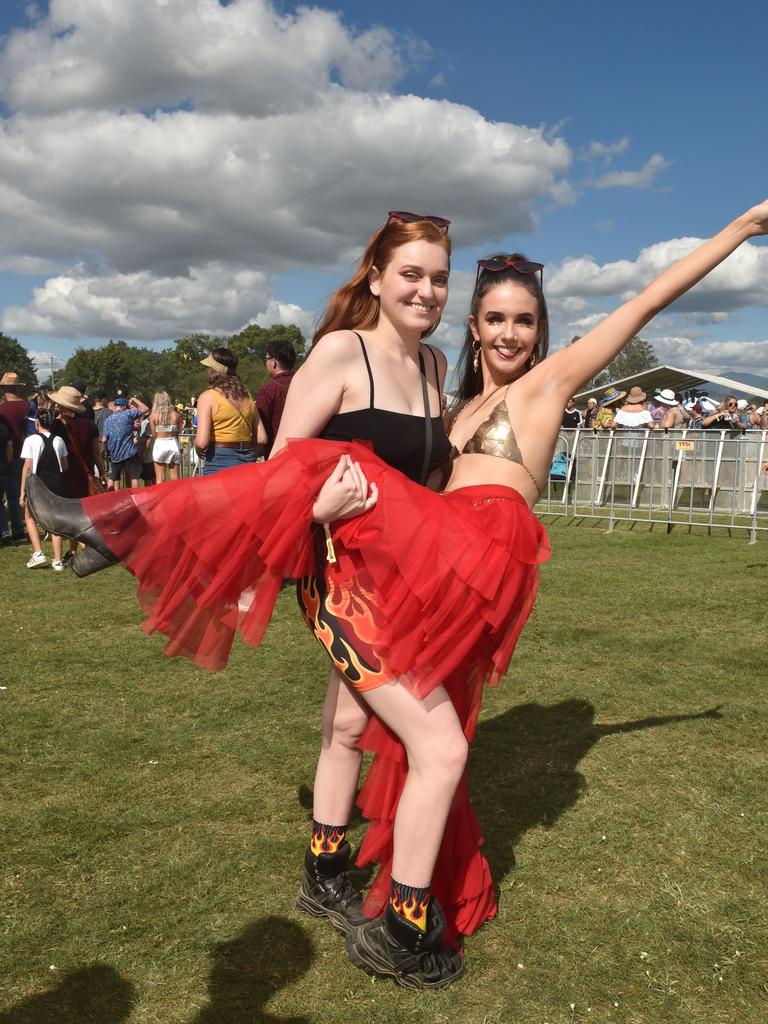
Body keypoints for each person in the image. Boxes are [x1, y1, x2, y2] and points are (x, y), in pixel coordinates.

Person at [26, 198, 768, 989]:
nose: (510, 333)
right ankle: (327, 865)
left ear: (542, 332)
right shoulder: (451, 393)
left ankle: (127, 526)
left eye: (523, 320)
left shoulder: (550, 382)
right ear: (473, 325)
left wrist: (740, 232)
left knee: (331, 476)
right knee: (348, 713)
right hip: (426, 556)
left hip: (473, 555)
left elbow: (646, 300)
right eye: (494, 318)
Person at [194, 349, 267, 474]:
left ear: (213, 370)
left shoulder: (208, 397)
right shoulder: (247, 396)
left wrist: (198, 450)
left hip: (219, 460)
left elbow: (201, 442)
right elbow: (261, 438)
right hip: (248, 459)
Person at [20, 407, 68, 570]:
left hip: (38, 483)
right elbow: (65, 465)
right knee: (55, 521)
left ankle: (39, 552)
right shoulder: (59, 440)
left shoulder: (31, 440)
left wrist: (22, 492)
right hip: (57, 482)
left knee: (30, 516)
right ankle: (58, 560)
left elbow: (27, 466)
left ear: (37, 423)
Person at [0, 370, 31, 543]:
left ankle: (5, 530)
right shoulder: (28, 406)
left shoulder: (1, 410)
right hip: (25, 454)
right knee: (18, 496)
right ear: (18, 388)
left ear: (3, 388)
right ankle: (19, 530)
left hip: (5, 457)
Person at [256, 342, 298, 455]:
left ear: (273, 362)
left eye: (266, 360)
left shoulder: (267, 390)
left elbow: (262, 426)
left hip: (277, 452)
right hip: (307, 449)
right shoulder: (307, 384)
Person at [103, 396, 149, 488]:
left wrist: (107, 450)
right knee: (134, 477)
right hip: (129, 452)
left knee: (113, 478)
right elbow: (146, 409)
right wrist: (134, 399)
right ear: (124, 407)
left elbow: (104, 439)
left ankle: (111, 495)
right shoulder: (128, 414)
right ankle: (136, 498)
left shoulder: (108, 420)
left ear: (115, 406)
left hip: (115, 453)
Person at [150, 392, 183, 483]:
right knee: (175, 478)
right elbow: (177, 432)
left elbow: (154, 435)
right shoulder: (175, 414)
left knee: (160, 478)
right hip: (173, 444)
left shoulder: (153, 415)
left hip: (160, 444)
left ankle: (162, 497)